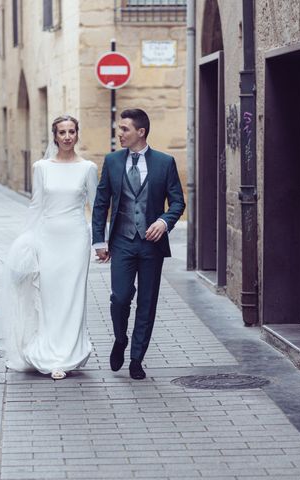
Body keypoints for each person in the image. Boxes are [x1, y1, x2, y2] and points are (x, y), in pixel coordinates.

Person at [92, 108, 185, 380]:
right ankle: (120, 339)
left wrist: (164, 221)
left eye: (124, 129)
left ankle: (136, 358)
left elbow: (177, 201)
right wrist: (99, 240)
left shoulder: (164, 162)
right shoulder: (111, 162)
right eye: (119, 129)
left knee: (147, 301)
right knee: (119, 297)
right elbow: (101, 204)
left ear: (140, 132)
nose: (119, 133)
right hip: (121, 242)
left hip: (150, 245)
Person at [3, 115, 98, 380]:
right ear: (54, 136)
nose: (67, 137)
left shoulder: (88, 168)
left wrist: (102, 241)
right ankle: (48, 351)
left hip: (76, 240)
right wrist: (26, 240)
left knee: (73, 297)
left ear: (77, 134)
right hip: (47, 238)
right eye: (62, 132)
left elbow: (96, 206)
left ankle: (67, 356)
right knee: (49, 298)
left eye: (71, 132)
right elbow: (36, 205)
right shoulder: (41, 167)